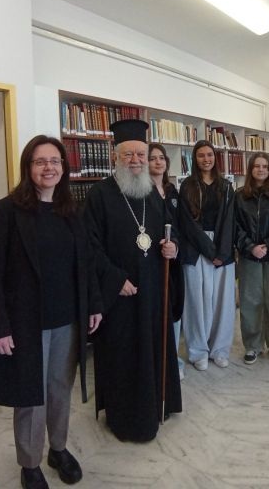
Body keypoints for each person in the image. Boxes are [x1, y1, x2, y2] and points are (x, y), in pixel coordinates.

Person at [0, 135, 103, 489]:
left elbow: (86, 263)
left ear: (63, 168)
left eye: (54, 161)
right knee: (30, 397)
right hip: (26, 324)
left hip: (68, 319)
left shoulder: (72, 211)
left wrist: (93, 304)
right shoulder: (5, 212)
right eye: (40, 161)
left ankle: (58, 449)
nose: (48, 167)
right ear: (28, 167)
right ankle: (30, 462)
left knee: (60, 390)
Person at [83, 119, 181, 442]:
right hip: (121, 295)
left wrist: (172, 247)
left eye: (141, 154)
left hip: (152, 290)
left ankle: (157, 404)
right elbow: (89, 245)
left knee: (153, 346)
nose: (136, 161)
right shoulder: (99, 194)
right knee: (123, 355)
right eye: (128, 155)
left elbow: (170, 230)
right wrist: (115, 279)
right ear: (115, 157)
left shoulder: (152, 193)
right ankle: (126, 418)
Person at [177, 140, 236, 370]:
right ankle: (198, 351)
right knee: (196, 302)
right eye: (201, 155)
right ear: (195, 159)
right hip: (196, 249)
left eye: (209, 154)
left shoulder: (226, 187)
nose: (206, 159)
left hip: (223, 249)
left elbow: (230, 221)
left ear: (215, 157)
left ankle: (219, 349)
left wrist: (222, 252)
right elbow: (187, 223)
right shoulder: (187, 186)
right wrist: (210, 251)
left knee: (222, 303)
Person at [234, 152, 269, 365]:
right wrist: (251, 247)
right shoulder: (239, 196)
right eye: (257, 166)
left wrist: (268, 246)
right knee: (250, 301)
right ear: (250, 169)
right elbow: (235, 226)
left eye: (265, 166)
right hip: (249, 256)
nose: (261, 170)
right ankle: (252, 345)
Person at [148, 143, 186, 380]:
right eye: (152, 158)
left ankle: (173, 358)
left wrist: (176, 246)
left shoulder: (172, 191)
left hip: (174, 261)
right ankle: (160, 358)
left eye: (161, 158)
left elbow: (180, 225)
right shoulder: (142, 192)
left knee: (173, 305)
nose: (158, 162)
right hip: (153, 259)